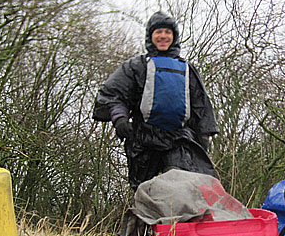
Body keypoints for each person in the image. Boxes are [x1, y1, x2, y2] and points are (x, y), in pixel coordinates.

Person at [93, 11, 219, 190]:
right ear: (150, 36)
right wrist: (120, 119)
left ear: (174, 37)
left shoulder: (187, 69)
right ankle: (144, 218)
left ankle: (177, 218)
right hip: (144, 138)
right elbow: (113, 94)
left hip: (178, 138)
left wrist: (203, 137)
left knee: (182, 188)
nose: (163, 36)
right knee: (143, 191)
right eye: (158, 32)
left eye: (167, 32)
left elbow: (201, 105)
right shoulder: (136, 66)